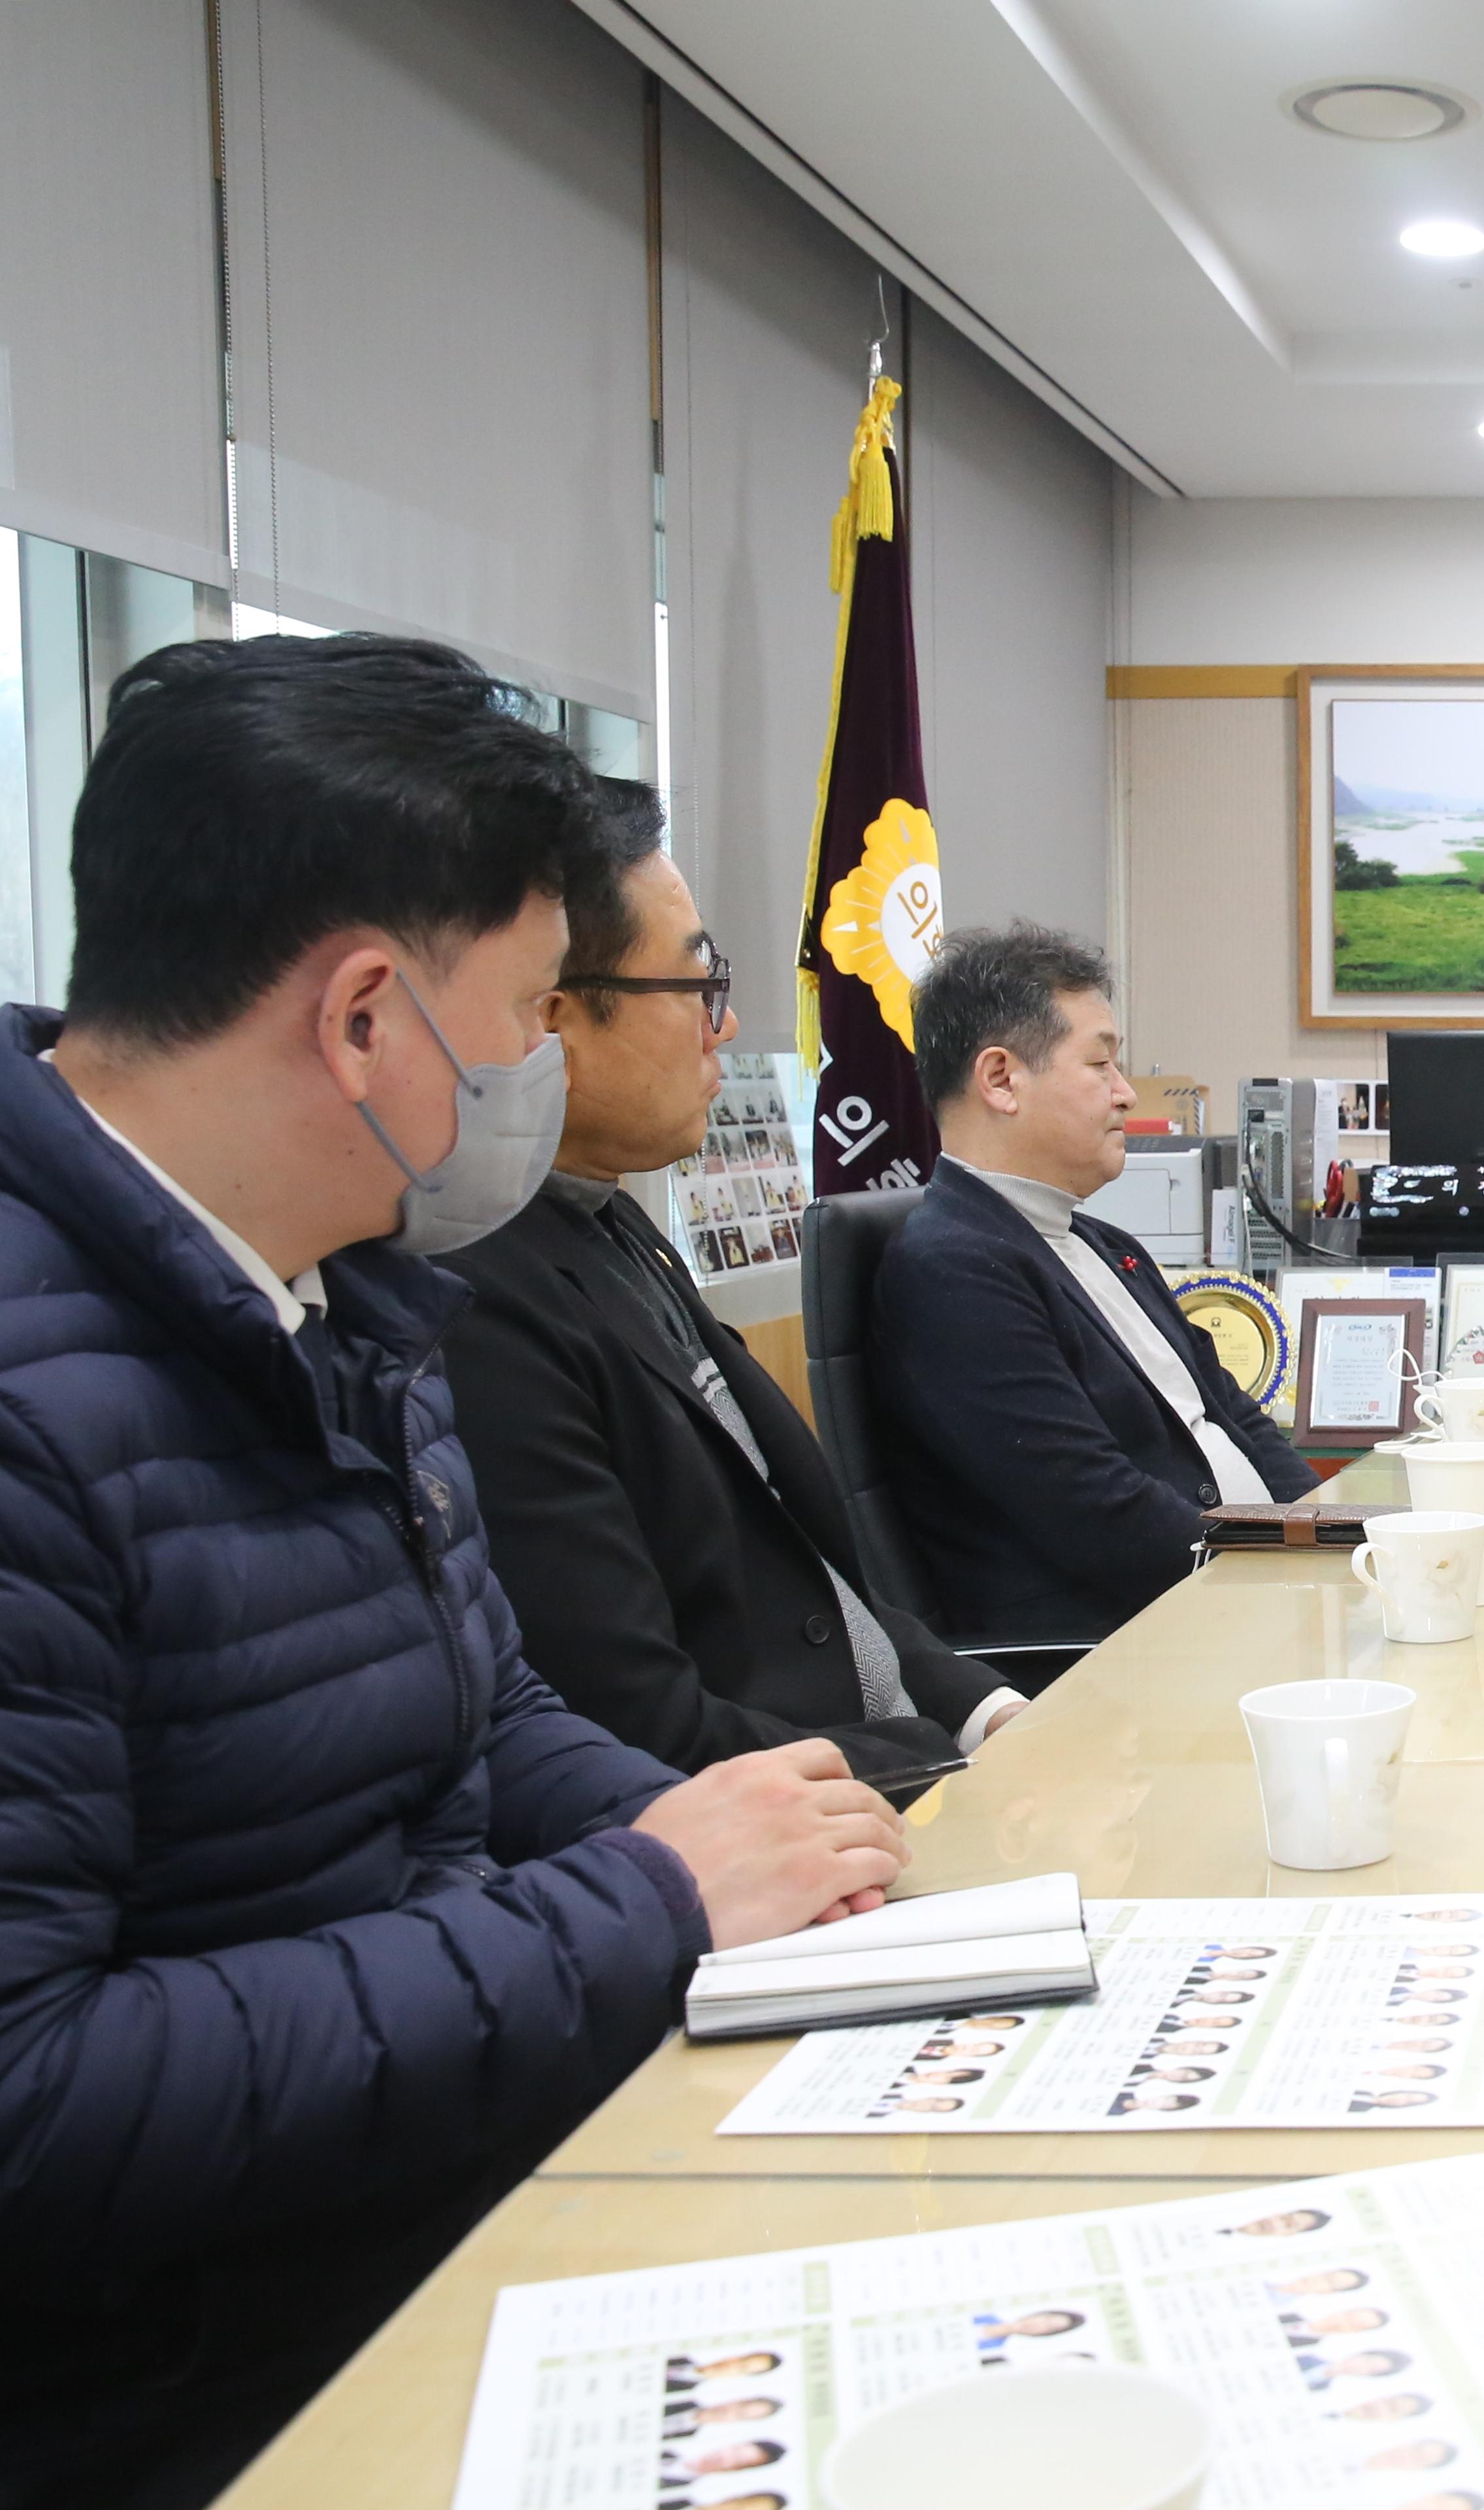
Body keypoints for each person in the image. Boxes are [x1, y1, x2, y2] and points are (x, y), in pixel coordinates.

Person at [0, 636, 908, 2508]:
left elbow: (477, 1714)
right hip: (225, 2392)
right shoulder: (41, 1399)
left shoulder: (339, 1293)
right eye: (516, 1013)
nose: (530, 1068)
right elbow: (35, 2096)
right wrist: (654, 1901)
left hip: (446, 2203)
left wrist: (756, 1834)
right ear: (358, 1020)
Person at [437, 796, 1021, 1782]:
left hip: (890, 1753)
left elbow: (825, 1575)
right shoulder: (483, 1296)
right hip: (787, 1820)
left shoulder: (613, 1223)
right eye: (701, 984)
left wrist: (991, 1717)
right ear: (551, 1012)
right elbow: (639, 1722)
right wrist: (948, 1769)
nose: (730, 1024)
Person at [872, 923, 1313, 1639]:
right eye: (1101, 1066)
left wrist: (1334, 1538)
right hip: (1135, 1645)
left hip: (1250, 1600)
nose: (1124, 1093)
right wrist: (1280, 1574)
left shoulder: (1106, 1245)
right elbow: (1096, 1512)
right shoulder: (954, 1269)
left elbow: (1238, 1419)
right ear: (1000, 1079)